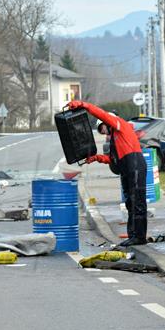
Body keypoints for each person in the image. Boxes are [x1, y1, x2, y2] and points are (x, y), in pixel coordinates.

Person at [68, 100, 147, 246]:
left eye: (102, 127)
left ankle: (140, 237)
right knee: (130, 202)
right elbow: (112, 159)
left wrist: (84, 105)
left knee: (137, 202)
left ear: (107, 122)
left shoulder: (119, 125)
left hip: (135, 164)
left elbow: (102, 114)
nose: (103, 132)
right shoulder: (115, 139)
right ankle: (133, 235)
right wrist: (96, 158)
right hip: (126, 168)